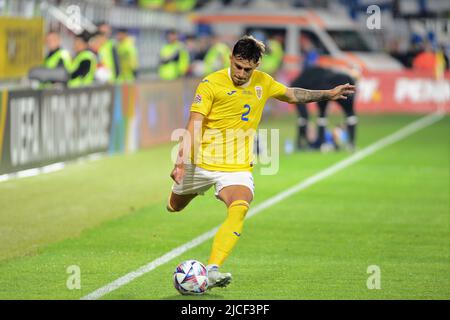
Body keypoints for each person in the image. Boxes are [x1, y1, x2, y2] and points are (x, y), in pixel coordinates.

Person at [167, 35, 355, 289]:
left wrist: (327, 94)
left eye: (248, 69)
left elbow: (293, 95)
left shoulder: (263, 82)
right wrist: (181, 161)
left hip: (236, 167)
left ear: (256, 67)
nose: (242, 74)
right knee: (174, 206)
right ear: (231, 58)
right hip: (201, 162)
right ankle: (188, 192)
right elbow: (195, 124)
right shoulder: (210, 84)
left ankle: (212, 269)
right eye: (239, 67)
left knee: (241, 205)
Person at [291, 65, 357, 151]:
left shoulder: (331, 78)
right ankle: (305, 143)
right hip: (299, 90)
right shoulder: (324, 81)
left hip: (319, 87)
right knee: (305, 116)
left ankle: (319, 143)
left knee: (314, 115)